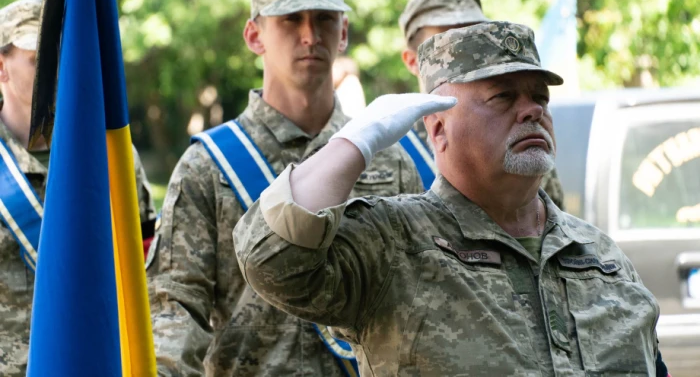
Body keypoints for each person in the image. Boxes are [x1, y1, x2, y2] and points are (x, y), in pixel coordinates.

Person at [234, 21, 661, 376]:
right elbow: (271, 261)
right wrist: (355, 142)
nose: (532, 110)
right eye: (503, 96)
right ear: (438, 130)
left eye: (540, 97)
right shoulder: (394, 243)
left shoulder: (598, 252)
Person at [147, 0, 422, 376]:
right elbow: (176, 306)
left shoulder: (387, 156)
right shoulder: (209, 166)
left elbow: (415, 294)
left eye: (325, 19)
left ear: (343, 32)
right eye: (291, 19)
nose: (310, 35)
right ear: (255, 35)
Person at [0, 0, 157, 376]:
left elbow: (146, 268)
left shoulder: (110, 155)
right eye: (39, 59)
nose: (57, 69)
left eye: (63, 54)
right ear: (1, 67)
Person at [398, 0, 565, 207]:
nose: (470, 46)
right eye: (448, 40)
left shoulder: (524, 138)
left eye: (475, 32)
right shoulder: (392, 144)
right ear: (412, 61)